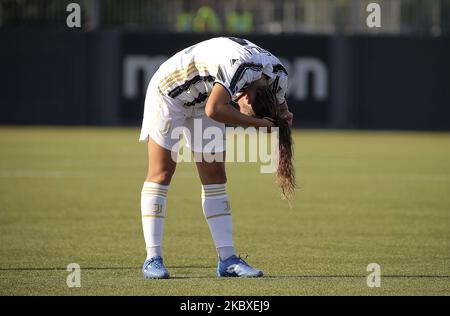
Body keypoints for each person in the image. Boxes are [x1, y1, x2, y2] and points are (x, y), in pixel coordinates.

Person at [139, 37, 294, 279]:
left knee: (214, 176)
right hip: (170, 92)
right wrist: (255, 124)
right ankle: (153, 258)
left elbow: (282, 110)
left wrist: (283, 117)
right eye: (243, 108)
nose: (239, 106)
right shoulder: (239, 69)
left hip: (206, 97)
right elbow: (216, 109)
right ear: (248, 98)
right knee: (162, 172)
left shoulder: (278, 78)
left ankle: (227, 259)